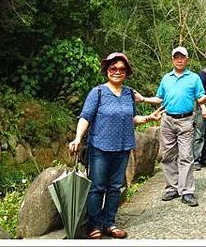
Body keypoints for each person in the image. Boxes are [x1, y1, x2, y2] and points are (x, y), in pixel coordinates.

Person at [68, 52, 163, 239]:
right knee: (97, 187)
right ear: (107, 70)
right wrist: (78, 138)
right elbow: (86, 117)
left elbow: (132, 118)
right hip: (100, 148)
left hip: (123, 147)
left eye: (122, 69)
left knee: (115, 187)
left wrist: (148, 118)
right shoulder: (98, 92)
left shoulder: (129, 93)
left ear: (126, 72)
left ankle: (110, 223)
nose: (117, 71)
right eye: (113, 68)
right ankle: (94, 225)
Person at [138, 46, 206, 207]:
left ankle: (187, 191)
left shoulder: (194, 78)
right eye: (176, 57)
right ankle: (171, 188)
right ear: (173, 60)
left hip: (186, 120)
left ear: (187, 60)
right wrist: (143, 99)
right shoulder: (166, 78)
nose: (179, 60)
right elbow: (159, 98)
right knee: (168, 155)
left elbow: (199, 98)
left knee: (186, 156)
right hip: (167, 120)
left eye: (182, 57)